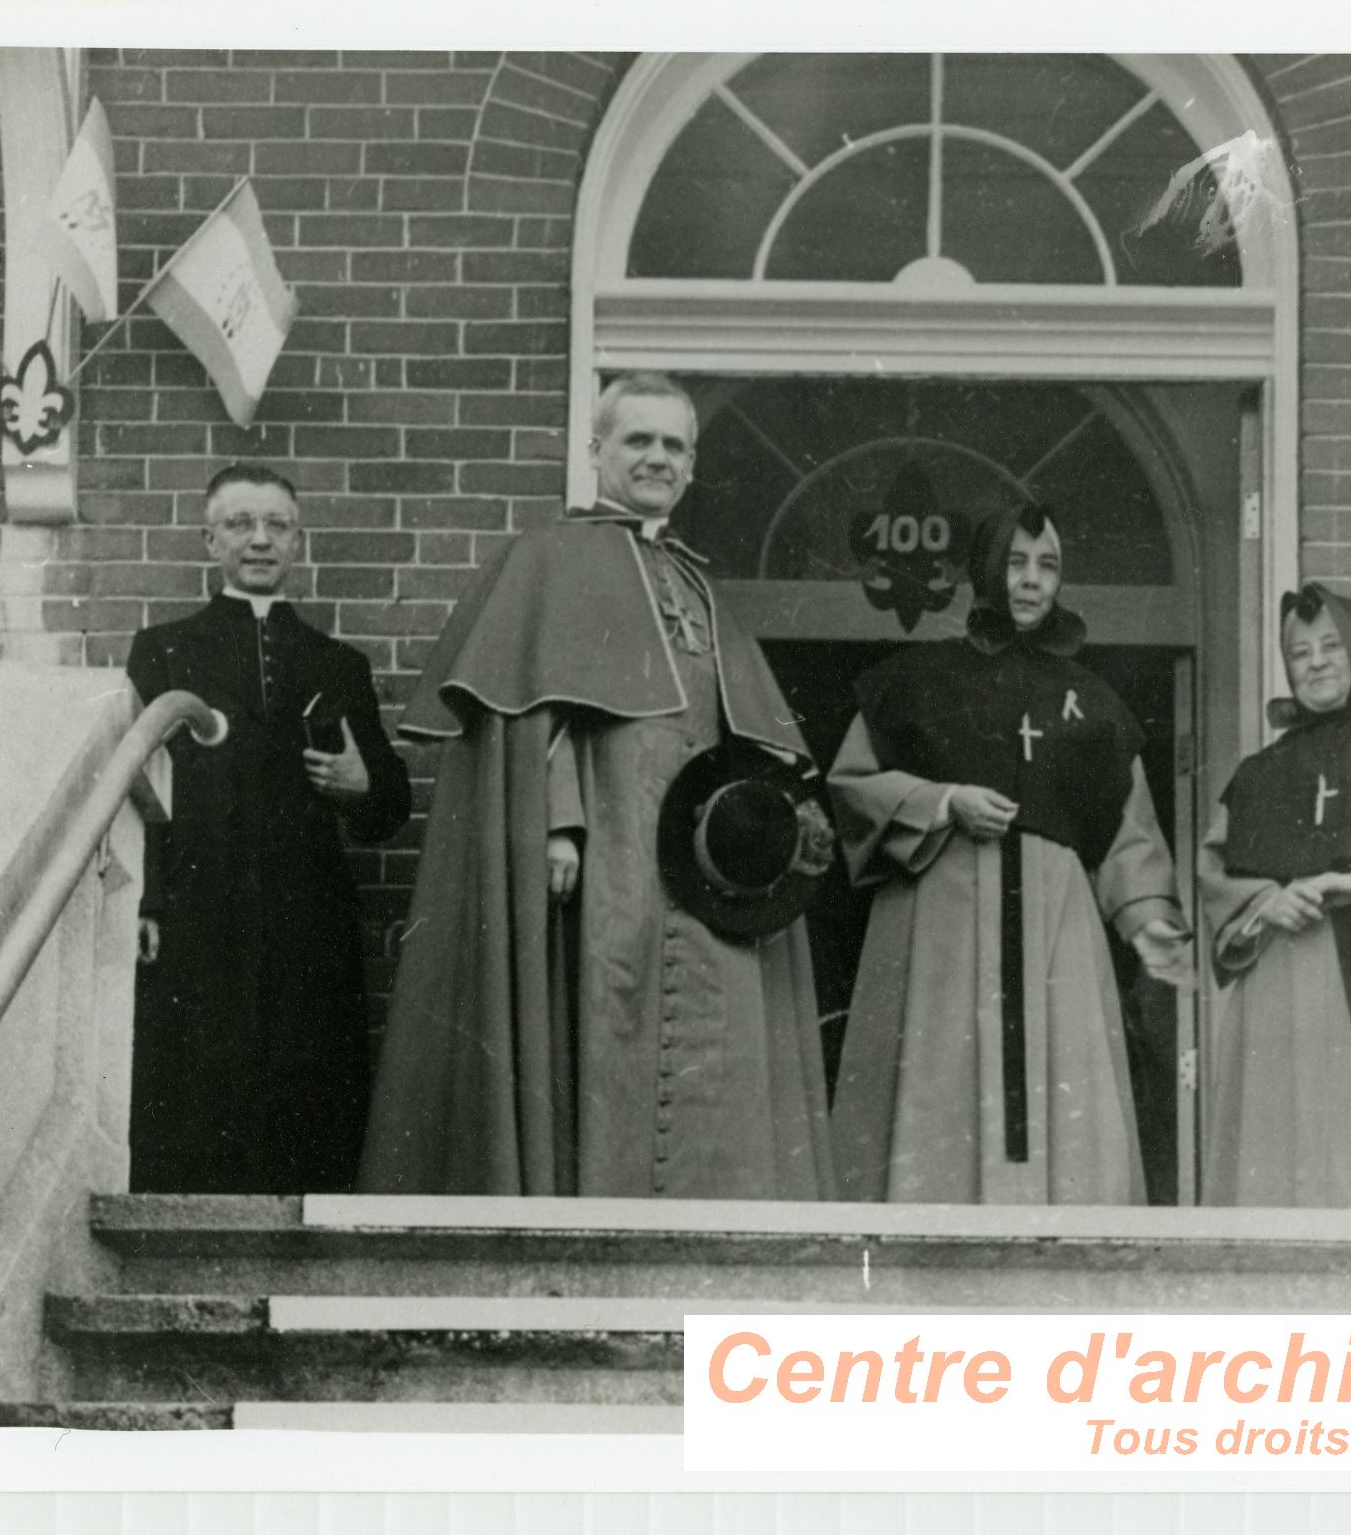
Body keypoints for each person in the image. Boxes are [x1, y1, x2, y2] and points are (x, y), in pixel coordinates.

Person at [358, 373, 835, 1200]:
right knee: (600, 1017)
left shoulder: (696, 586)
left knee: (711, 1031)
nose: (656, 458)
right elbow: (538, 712)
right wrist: (558, 823)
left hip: (698, 868)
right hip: (608, 846)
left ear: (691, 466)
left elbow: (746, 740)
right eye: (637, 441)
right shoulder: (547, 560)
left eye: (673, 446)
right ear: (596, 453)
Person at [827, 500, 1193, 1206]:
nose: (1030, 582)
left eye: (1046, 566)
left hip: (1058, 927)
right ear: (985, 572)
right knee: (939, 1094)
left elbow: (1129, 831)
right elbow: (852, 784)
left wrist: (1151, 927)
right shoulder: (913, 678)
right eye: (1015, 564)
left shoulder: (1090, 699)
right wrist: (942, 802)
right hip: (942, 918)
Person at [125, 463, 412, 1194]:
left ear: (298, 540)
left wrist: (360, 785)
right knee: (194, 1078)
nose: (260, 541)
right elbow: (134, 789)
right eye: (240, 524)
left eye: (277, 526)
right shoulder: (162, 650)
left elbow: (388, 810)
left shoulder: (337, 663)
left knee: (305, 1089)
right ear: (208, 538)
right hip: (199, 902)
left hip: (304, 911)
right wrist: (147, 899)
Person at [1200, 583, 1351, 1208]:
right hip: (1283, 979)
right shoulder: (1258, 773)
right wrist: (1267, 902)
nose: (1315, 662)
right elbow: (1215, 872)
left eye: (1330, 646)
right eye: (1299, 652)